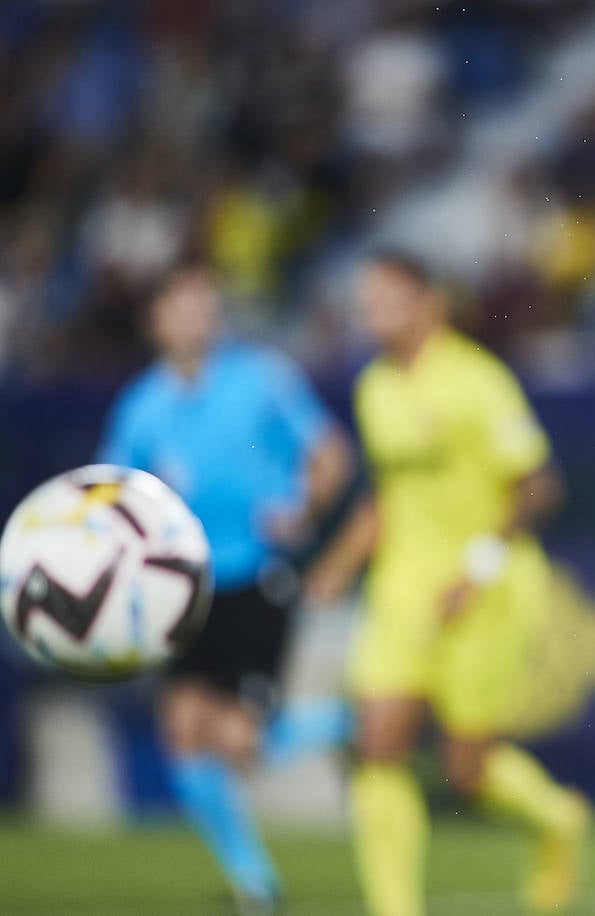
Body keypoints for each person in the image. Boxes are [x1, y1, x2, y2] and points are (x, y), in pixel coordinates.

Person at [307, 251, 591, 916]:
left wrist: (478, 569)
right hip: (403, 588)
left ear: (428, 303)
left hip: (485, 589)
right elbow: (386, 495)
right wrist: (335, 570)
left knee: (466, 770)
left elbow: (537, 486)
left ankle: (556, 819)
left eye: (388, 300)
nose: (373, 314)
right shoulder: (373, 386)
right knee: (377, 747)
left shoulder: (476, 380)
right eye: (367, 302)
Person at [99, 263, 353, 913]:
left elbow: (330, 454)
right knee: (184, 731)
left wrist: (302, 506)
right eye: (180, 306)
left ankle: (350, 724)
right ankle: (256, 884)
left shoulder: (261, 378)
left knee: (241, 742)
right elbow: (117, 500)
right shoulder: (141, 405)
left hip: (257, 575)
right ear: (156, 320)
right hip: (182, 591)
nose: (195, 317)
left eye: (205, 305)